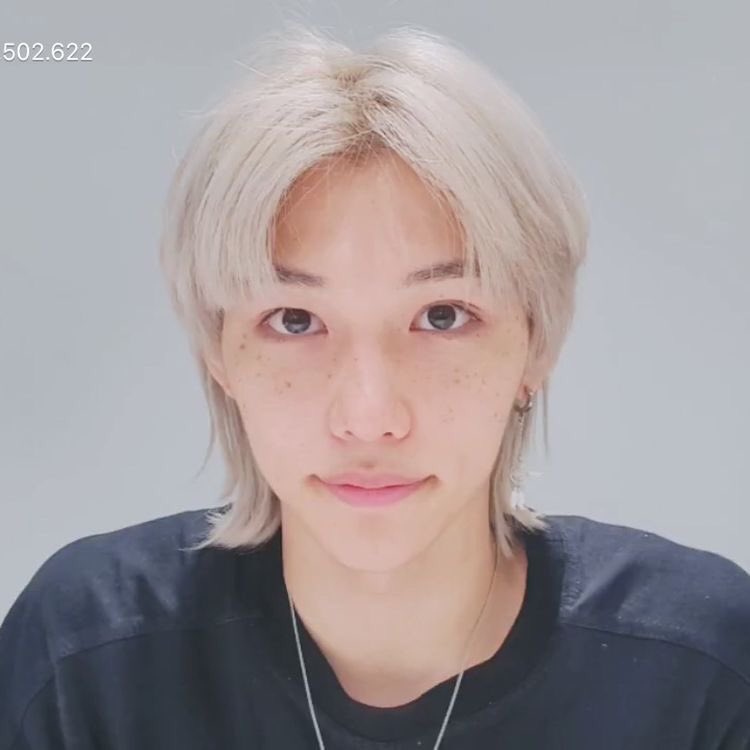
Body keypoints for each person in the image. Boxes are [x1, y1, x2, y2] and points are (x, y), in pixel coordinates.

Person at [1, 23, 749, 750]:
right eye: (295, 320)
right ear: (217, 352)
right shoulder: (85, 660)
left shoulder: (699, 672)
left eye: (443, 315)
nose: (369, 416)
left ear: (537, 344)